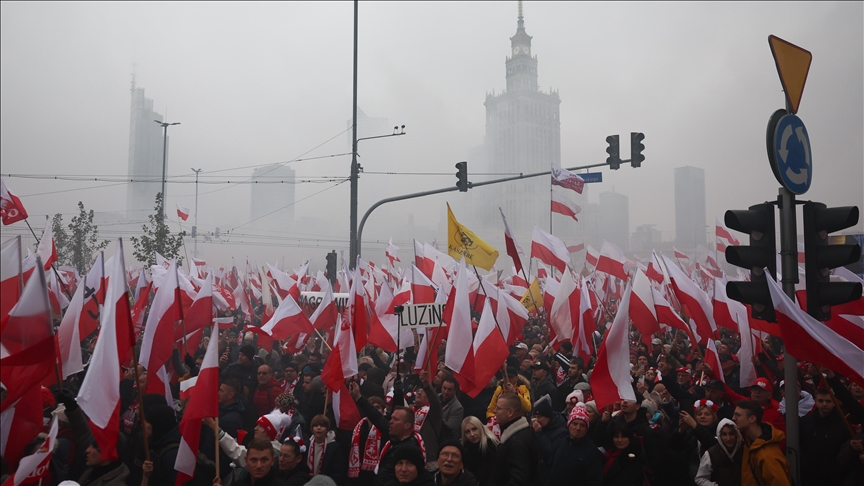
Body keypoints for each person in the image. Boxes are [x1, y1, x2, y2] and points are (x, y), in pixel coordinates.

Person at [800, 388, 852, 485]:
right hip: (808, 474)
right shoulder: (805, 422)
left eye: (828, 401)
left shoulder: (842, 425)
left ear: (834, 402)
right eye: (821, 401)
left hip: (832, 476)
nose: (824, 404)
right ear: (815, 401)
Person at [733, 400, 791, 486]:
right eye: (734, 414)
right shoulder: (749, 444)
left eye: (738, 415)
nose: (733, 418)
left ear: (752, 419)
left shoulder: (768, 456)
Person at [545, 403, 604, 486]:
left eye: (582, 425)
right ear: (569, 425)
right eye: (575, 424)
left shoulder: (591, 452)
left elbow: (594, 481)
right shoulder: (561, 443)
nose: (578, 428)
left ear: (586, 429)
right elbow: (550, 470)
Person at [490, 392, 538, 486]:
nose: (495, 411)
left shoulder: (517, 443)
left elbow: (519, 480)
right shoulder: (516, 435)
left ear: (510, 412)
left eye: (498, 408)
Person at [377, 406, 425, 486]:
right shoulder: (394, 442)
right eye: (391, 418)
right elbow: (376, 418)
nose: (390, 422)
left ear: (407, 425)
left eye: (395, 419)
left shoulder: (410, 449)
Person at [530, 395, 567, 485]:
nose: (536, 420)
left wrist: (539, 433)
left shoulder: (561, 432)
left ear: (549, 417)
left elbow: (550, 454)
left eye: (539, 417)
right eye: (534, 416)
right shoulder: (534, 428)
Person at [695, 418, 743, 486]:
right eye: (724, 434)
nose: (728, 438)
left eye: (731, 434)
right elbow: (700, 478)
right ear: (719, 436)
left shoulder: (744, 450)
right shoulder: (711, 453)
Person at [412, 371, 443, 471]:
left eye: (423, 391)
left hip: (429, 461)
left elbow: (436, 403)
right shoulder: (410, 412)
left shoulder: (433, 414)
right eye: (418, 391)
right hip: (413, 458)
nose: (419, 392)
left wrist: (426, 384)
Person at [460, 416, 498, 486]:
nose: (472, 434)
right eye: (467, 432)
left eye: (474, 429)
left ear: (480, 428)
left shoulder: (492, 447)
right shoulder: (464, 450)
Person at [307, 414, 345, 483]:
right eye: (315, 426)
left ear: (327, 429)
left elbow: (338, 471)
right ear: (312, 429)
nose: (319, 428)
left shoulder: (334, 448)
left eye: (322, 426)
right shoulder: (306, 445)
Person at [439, 376, 464, 443]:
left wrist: (438, 416)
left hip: (445, 441)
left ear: (455, 390)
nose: (446, 392)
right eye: (444, 388)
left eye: (449, 390)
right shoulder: (436, 398)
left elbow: (450, 428)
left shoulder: (457, 408)